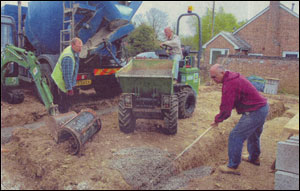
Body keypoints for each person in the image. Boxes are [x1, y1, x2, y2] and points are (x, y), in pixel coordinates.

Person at [210, 64, 269, 175]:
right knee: (254, 134)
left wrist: (218, 119)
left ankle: (233, 166)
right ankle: (254, 158)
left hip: (255, 111)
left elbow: (226, 108)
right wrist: (220, 117)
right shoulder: (232, 77)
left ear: (222, 73)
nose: (213, 80)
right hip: (262, 108)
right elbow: (233, 100)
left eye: (214, 77)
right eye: (211, 77)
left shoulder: (229, 83)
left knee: (235, 136)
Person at [51, 37, 83, 113]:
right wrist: (69, 88)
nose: (80, 49)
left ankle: (62, 112)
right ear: (73, 45)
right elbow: (67, 75)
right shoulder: (68, 57)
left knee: (65, 100)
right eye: (79, 47)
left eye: (81, 46)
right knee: (64, 100)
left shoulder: (72, 50)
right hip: (61, 81)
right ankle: (62, 115)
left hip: (62, 79)